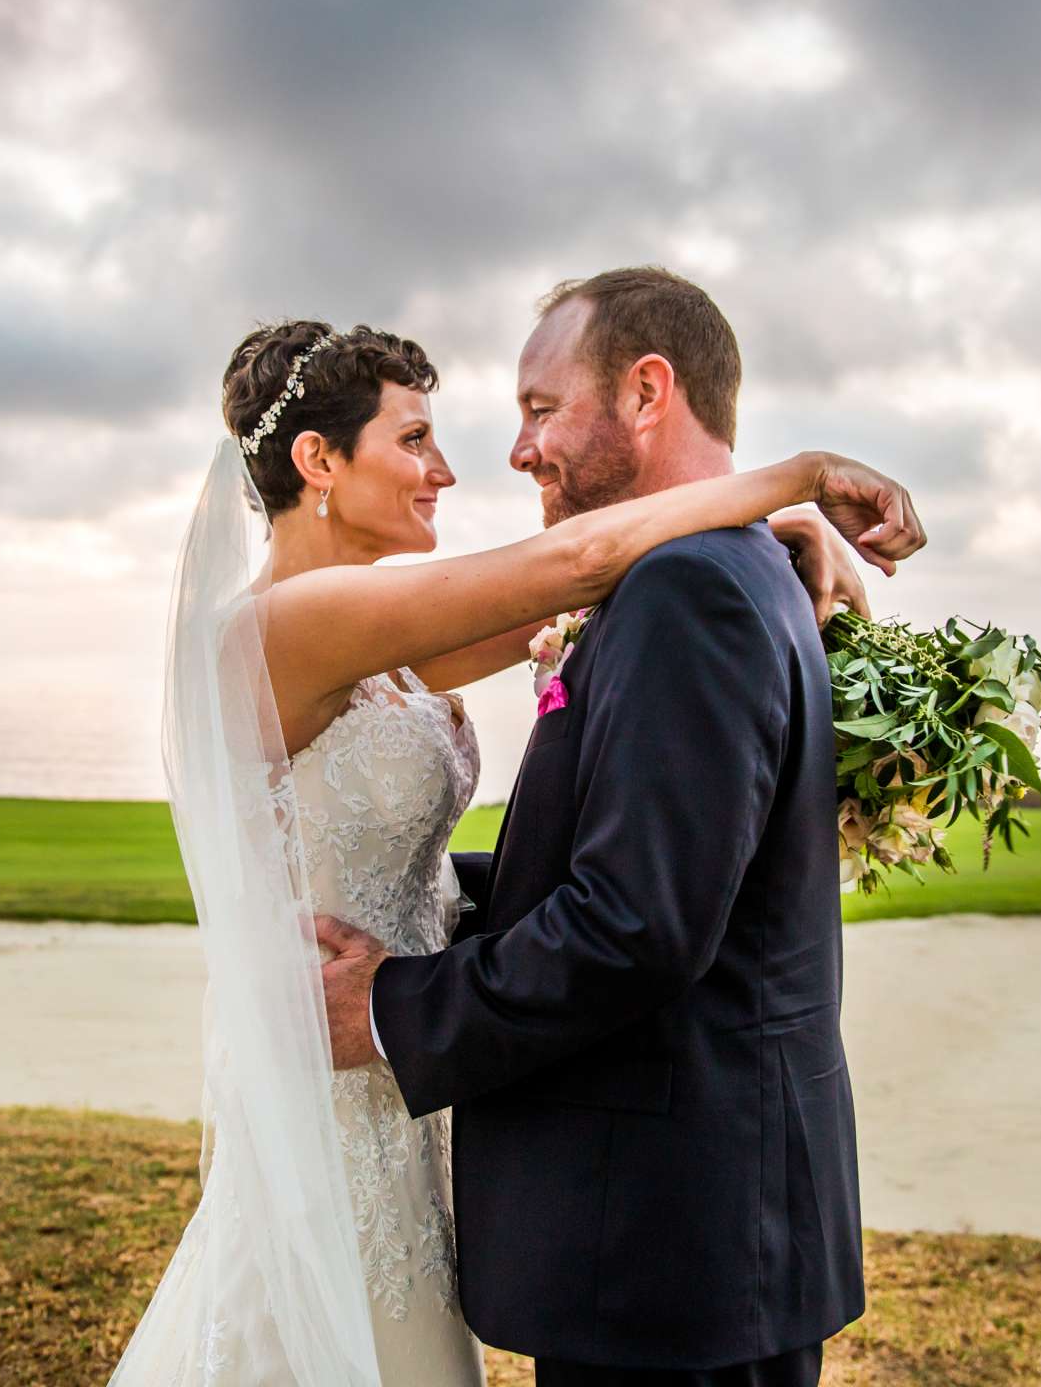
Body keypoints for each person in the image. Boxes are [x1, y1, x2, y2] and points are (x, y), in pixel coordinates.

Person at [111, 284, 921, 1385]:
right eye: (415, 439)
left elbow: (603, 589)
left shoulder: (392, 637)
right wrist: (791, 480)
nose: (451, 469)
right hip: (344, 1066)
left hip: (404, 1071)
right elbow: (573, 570)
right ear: (318, 462)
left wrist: (773, 542)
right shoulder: (289, 627)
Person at [319, 267, 886, 1385]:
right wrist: (427, 902)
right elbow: (630, 867)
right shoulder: (730, 570)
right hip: (695, 1247)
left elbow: (635, 924)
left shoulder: (691, 591)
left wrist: (390, 1004)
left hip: (671, 1253)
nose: (520, 451)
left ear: (646, 392)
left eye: (540, 410)